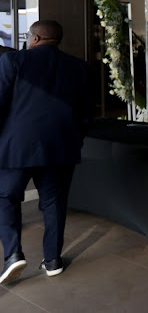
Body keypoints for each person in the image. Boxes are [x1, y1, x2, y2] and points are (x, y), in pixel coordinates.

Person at [0, 20, 90, 284]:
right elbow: (85, 113)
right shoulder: (79, 67)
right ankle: (52, 260)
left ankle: (13, 254)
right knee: (53, 203)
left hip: (16, 148)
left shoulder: (12, 61)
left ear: (35, 38)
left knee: (6, 198)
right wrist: (76, 139)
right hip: (61, 147)